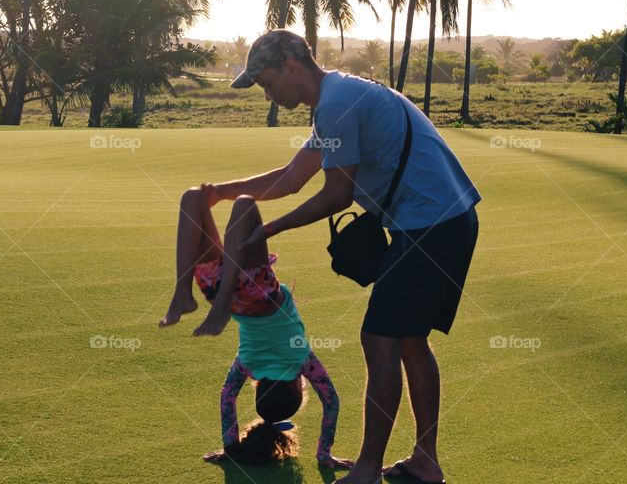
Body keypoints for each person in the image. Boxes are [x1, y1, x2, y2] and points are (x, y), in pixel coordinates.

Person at [191, 29, 481, 484]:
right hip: (440, 221)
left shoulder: (335, 103)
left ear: (291, 65)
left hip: (431, 225)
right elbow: (291, 178)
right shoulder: (337, 99)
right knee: (407, 339)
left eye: (267, 83)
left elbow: (337, 195)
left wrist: (267, 229)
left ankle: (368, 469)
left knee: (379, 338)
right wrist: (221, 194)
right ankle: (425, 460)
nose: (268, 94)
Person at [160, 188, 354, 469]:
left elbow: (332, 404)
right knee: (192, 200)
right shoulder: (247, 364)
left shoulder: (302, 361)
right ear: (258, 388)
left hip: (256, 291)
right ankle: (186, 292)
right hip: (216, 289)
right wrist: (230, 447)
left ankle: (182, 293)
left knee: (245, 203)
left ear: (299, 387)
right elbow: (227, 399)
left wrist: (326, 453)